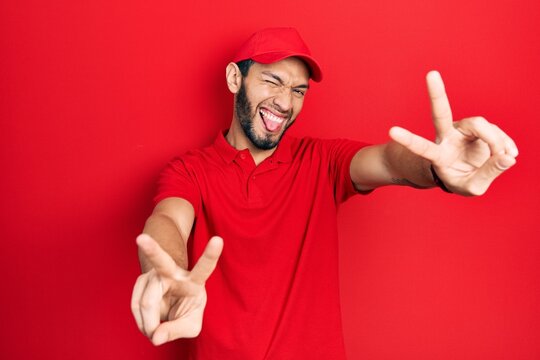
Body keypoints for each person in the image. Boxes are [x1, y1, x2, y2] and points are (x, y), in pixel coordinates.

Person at [131, 27, 518, 359]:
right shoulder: (190, 170)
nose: (285, 102)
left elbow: (387, 162)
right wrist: (167, 274)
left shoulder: (322, 160)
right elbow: (168, 219)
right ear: (235, 79)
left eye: (299, 90)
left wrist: (436, 168)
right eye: (272, 81)